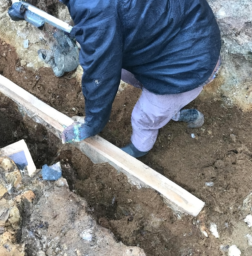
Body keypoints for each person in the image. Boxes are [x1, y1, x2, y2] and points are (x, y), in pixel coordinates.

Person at [60, 0, 221, 158]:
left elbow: (100, 75)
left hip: (189, 64)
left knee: (143, 118)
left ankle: (139, 149)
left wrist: (92, 123)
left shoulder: (96, 8)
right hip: (186, 30)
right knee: (122, 70)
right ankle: (171, 110)